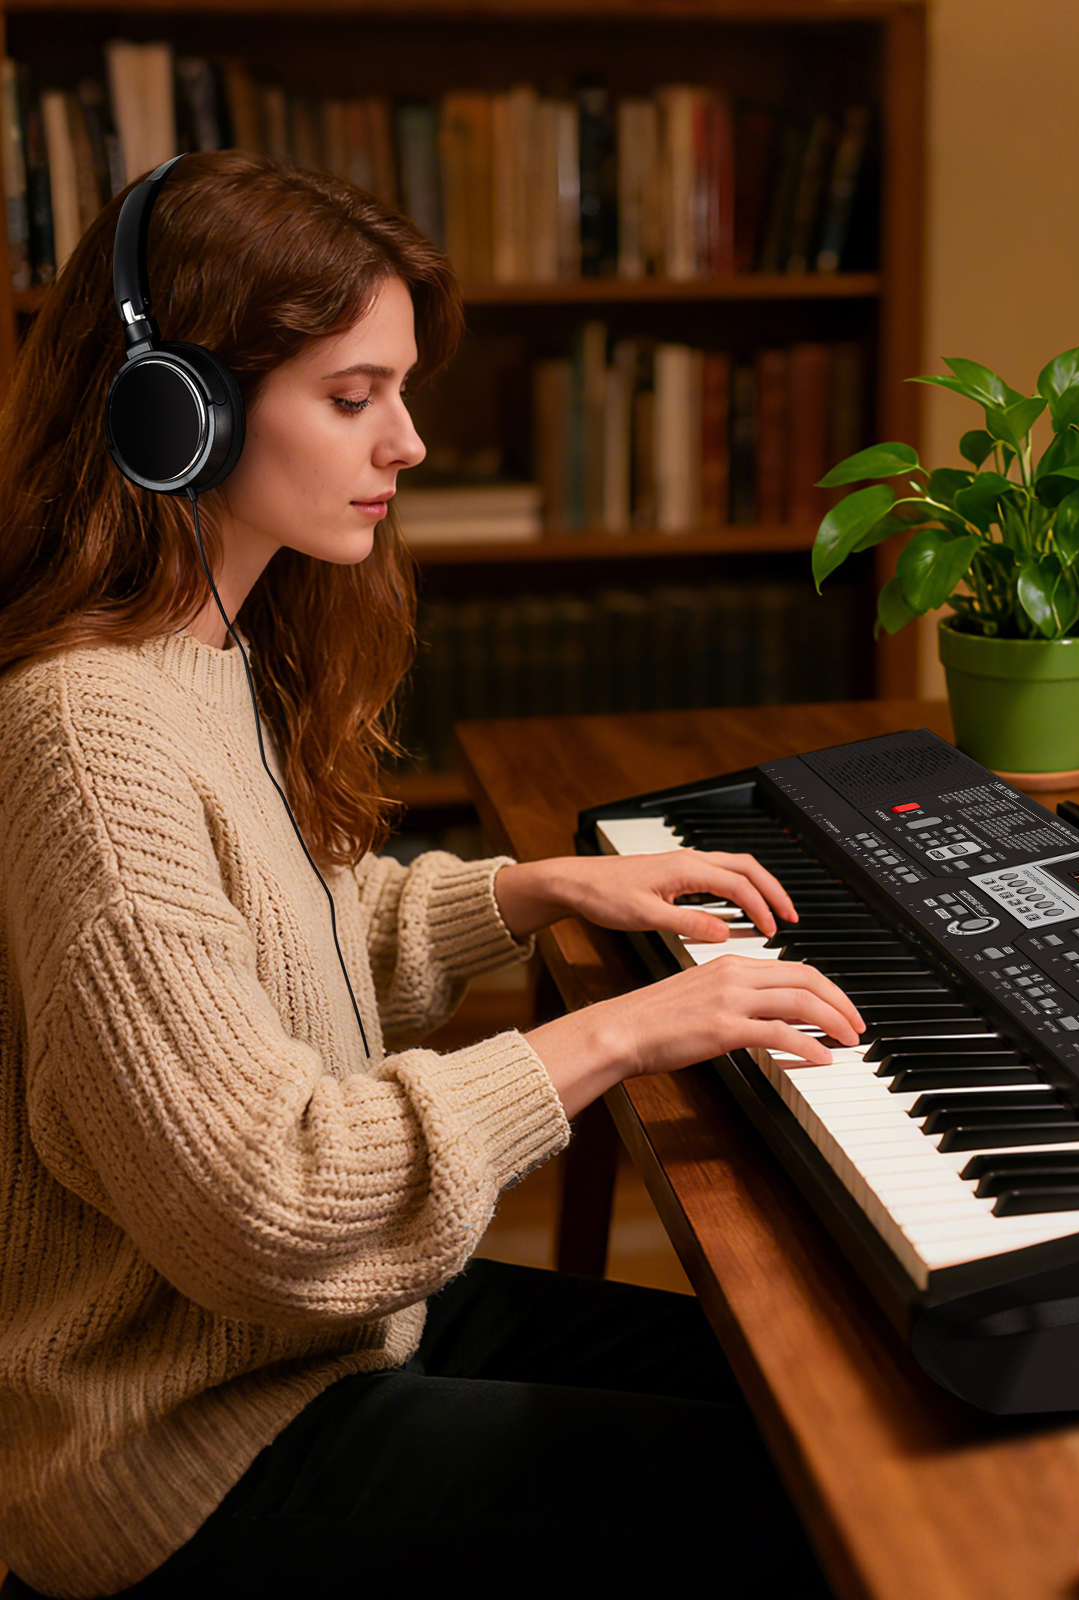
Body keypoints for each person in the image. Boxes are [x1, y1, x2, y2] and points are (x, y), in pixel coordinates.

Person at [0, 151, 864, 1599]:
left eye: (400, 390)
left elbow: (286, 948)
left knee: (810, 1399)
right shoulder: (88, 729)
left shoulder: (207, 648)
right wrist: (620, 1033)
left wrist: (526, 893)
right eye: (353, 397)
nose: (404, 441)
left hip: (320, 1347)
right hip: (173, 1449)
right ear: (178, 413)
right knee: (800, 1511)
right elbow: (266, 1205)